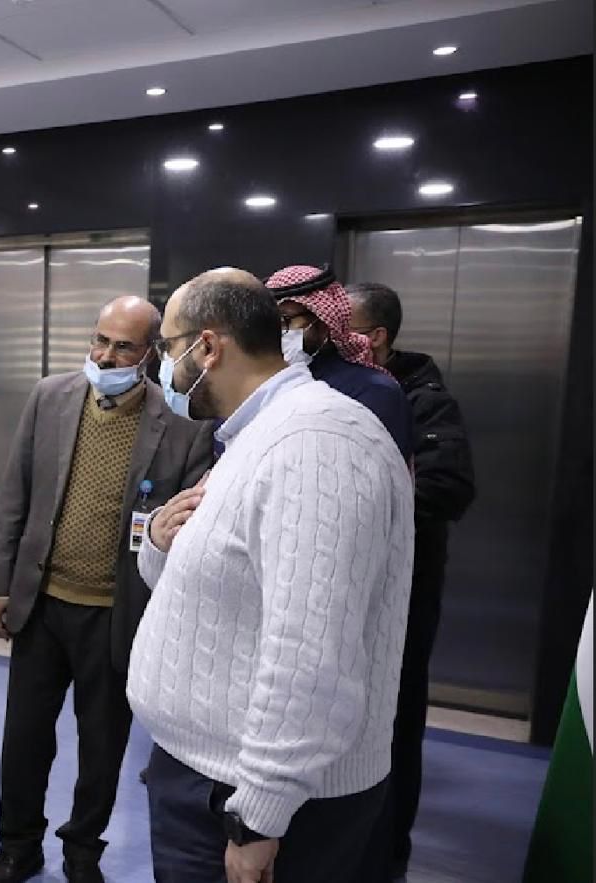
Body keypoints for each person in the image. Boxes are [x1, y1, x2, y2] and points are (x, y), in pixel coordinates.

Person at [127, 268, 414, 883]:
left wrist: (260, 815)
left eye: (169, 349)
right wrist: (160, 542)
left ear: (208, 347)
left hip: (257, 803)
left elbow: (310, 650)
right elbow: (219, 589)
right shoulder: (256, 435)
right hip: (210, 775)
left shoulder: (316, 444)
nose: (165, 369)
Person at [0, 296, 215, 883]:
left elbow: (180, 537)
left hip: (117, 614)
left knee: (103, 744)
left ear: (151, 352)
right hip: (41, 604)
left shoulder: (182, 430)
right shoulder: (50, 399)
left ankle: (83, 849)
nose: (105, 356)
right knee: (24, 737)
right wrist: (1, 584)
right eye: (100, 340)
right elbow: (15, 495)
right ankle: (18, 846)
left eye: (123, 346)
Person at [347, 282, 476, 881]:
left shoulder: (423, 398)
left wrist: (357, 516)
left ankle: (387, 854)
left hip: (401, 595)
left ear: (376, 338)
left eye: (343, 327)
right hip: (343, 591)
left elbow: (448, 488)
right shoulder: (338, 387)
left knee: (394, 722)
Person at [266, 265, 414, 461]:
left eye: (285, 320)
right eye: (269, 323)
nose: (276, 332)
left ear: (323, 323)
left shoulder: (374, 391)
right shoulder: (269, 382)